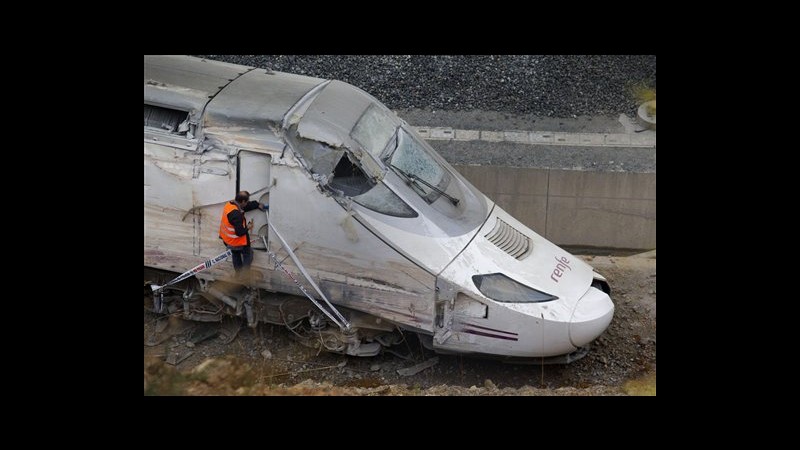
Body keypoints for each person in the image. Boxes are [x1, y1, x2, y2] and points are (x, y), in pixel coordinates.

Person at [219, 191, 268, 277]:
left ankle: (238, 275)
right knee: (248, 254)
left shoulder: (230, 205)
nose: (247, 203)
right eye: (247, 201)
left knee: (236, 254)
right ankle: (244, 275)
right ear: (242, 202)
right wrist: (248, 227)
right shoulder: (236, 214)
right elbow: (240, 233)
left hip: (227, 240)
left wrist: (257, 204)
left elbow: (245, 207)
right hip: (236, 241)